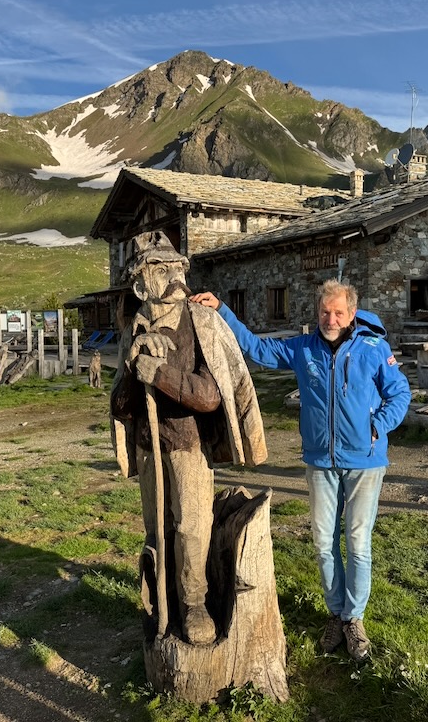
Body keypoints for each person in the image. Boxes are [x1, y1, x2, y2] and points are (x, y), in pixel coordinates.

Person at [190, 280, 411, 661]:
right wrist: (222, 310)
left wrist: (377, 425)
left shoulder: (374, 348)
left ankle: (354, 619)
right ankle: (336, 612)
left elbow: (400, 392)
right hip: (320, 462)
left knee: (358, 544)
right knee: (325, 544)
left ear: (352, 313)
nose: (331, 318)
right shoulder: (303, 348)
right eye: (325, 311)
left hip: (365, 462)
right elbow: (258, 350)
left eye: (338, 312)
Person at [110, 231, 266, 645]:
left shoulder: (201, 323)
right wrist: (132, 366)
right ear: (142, 282)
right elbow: (121, 408)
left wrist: (160, 374)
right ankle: (163, 600)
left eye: (178, 267)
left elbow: (212, 395)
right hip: (149, 449)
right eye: (162, 269)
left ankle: (194, 603)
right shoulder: (133, 330)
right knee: (156, 529)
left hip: (187, 446)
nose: (176, 275)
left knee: (192, 528)